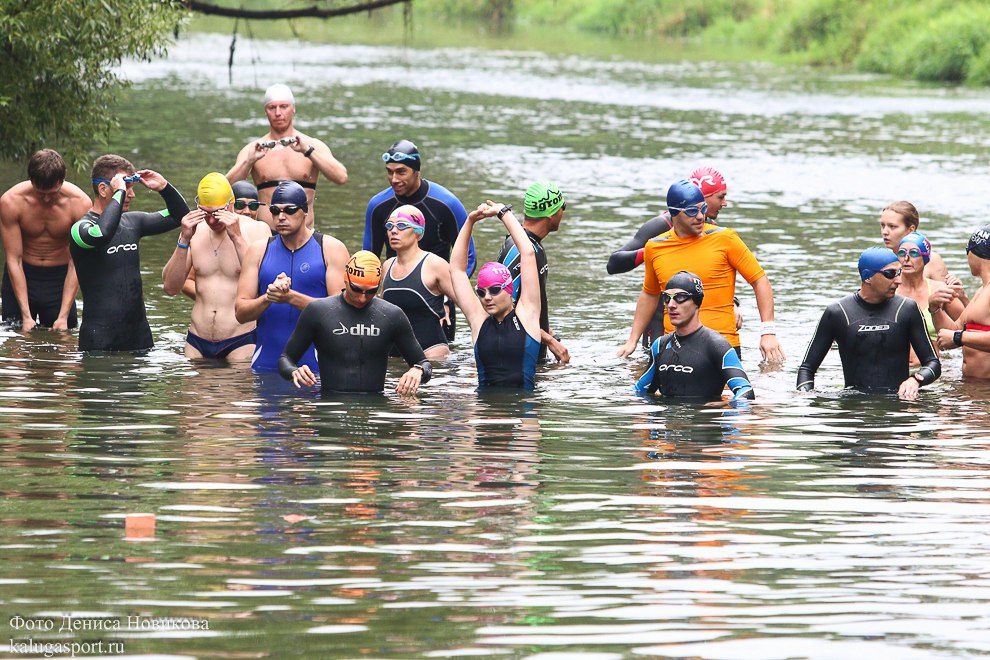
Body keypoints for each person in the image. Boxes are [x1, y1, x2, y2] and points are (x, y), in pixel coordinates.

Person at [617, 180, 784, 362]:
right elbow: (649, 294)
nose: (700, 217)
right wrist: (632, 341)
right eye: (691, 211)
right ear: (673, 213)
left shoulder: (726, 239)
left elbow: (759, 280)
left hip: (722, 347)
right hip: (674, 347)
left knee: (727, 392)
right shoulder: (655, 247)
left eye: (702, 209)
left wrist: (768, 332)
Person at [607, 167, 740, 348]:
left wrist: (733, 304)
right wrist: (657, 251)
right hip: (660, 323)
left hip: (692, 325)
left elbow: (710, 274)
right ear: (703, 196)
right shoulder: (662, 225)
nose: (725, 203)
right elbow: (614, 264)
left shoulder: (710, 228)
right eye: (720, 197)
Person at [69, 154, 189, 352]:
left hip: (139, 337)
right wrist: (119, 193)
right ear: (103, 189)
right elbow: (102, 234)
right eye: (126, 188)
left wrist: (164, 187)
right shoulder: (81, 229)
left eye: (131, 188)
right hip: (100, 341)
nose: (131, 195)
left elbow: (181, 216)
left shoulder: (133, 222)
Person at [279, 251, 432, 395]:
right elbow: (285, 359)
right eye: (356, 289)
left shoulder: (392, 315)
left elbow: (423, 363)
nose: (362, 298)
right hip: (331, 409)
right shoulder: (318, 311)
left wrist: (418, 370)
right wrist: (294, 371)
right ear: (346, 279)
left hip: (375, 409)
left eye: (371, 291)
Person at [364, 139, 474, 341]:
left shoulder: (446, 203)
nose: (394, 178)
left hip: (438, 298)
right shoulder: (378, 205)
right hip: (395, 295)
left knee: (438, 363)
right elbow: (368, 260)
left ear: (417, 171)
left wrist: (449, 297)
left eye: (401, 171)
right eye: (389, 172)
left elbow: (469, 257)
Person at [796, 246, 941, 398]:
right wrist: (807, 401)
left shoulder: (907, 309)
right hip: (853, 408)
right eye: (890, 274)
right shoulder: (838, 312)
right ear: (868, 277)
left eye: (899, 272)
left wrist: (916, 380)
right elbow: (807, 369)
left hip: (898, 408)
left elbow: (933, 363)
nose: (898, 280)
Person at [235, 180, 348, 372]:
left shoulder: (331, 249)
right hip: (266, 364)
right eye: (275, 211)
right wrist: (267, 298)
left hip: (317, 368)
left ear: (304, 211)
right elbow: (241, 313)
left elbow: (342, 315)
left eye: (289, 210)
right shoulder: (258, 250)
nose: (281, 217)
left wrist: (291, 297)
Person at [162, 173, 272, 361]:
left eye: (217, 213)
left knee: (235, 389)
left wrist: (237, 237)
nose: (211, 220)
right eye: (206, 213)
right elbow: (171, 287)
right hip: (196, 340)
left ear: (231, 204)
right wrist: (184, 239)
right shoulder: (194, 232)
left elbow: (265, 283)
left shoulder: (257, 229)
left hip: (240, 339)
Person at [226, 84, 347, 231]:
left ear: (293, 108)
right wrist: (248, 162)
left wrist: (308, 151)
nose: (278, 113)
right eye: (272, 108)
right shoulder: (253, 149)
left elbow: (341, 177)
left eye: (283, 107)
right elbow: (224, 190)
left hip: (305, 234)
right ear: (266, 111)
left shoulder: (312, 145)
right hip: (268, 235)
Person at [450, 201, 541, 390]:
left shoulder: (527, 315)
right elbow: (457, 270)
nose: (487, 297)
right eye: (481, 293)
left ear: (509, 289)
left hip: (523, 411)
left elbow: (528, 253)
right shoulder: (479, 320)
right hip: (485, 413)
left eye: (494, 290)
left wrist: (503, 213)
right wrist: (469, 222)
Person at [0, 149, 91, 330]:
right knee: (15, 342)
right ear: (31, 181)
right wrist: (26, 316)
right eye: (41, 193)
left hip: (59, 279)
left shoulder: (80, 203)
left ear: (62, 181)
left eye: (53, 192)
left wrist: (63, 315)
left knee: (64, 342)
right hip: (22, 272)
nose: (47, 198)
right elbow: (14, 259)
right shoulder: (11, 201)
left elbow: (77, 262)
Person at [635, 271, 754, 401]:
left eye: (680, 297)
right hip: (667, 419)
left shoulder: (716, 345)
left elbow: (746, 391)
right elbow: (639, 391)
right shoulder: (660, 346)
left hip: (702, 420)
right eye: (667, 298)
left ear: (697, 302)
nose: (671, 305)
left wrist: (727, 407)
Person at [496, 181, 569, 364]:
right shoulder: (518, 249)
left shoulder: (533, 246)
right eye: (563, 207)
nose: (563, 213)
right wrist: (549, 340)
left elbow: (529, 301)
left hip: (530, 355)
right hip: (516, 361)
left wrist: (549, 333)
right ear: (552, 214)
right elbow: (504, 311)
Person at [379, 205, 458, 360]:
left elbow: (469, 306)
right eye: (390, 226)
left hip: (431, 354)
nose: (393, 231)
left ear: (418, 232)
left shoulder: (435, 265)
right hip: (394, 355)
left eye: (401, 226)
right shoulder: (387, 265)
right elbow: (381, 312)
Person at [893, 232, 964, 365]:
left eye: (914, 253)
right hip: (897, 370)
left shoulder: (939, 290)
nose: (906, 258)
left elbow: (967, 325)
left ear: (925, 258)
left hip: (933, 372)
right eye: (902, 253)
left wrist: (963, 296)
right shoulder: (889, 290)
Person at [879, 200, 968, 303]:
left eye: (892, 226)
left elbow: (950, 303)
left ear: (911, 229)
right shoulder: (881, 261)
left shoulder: (932, 260)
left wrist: (963, 297)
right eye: (883, 225)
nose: (885, 232)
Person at [933, 225, 990, 378]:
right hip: (973, 386)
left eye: (967, 250)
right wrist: (935, 306)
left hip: (985, 392)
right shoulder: (982, 290)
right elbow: (951, 331)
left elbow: (955, 336)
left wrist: (958, 337)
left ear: (976, 253)